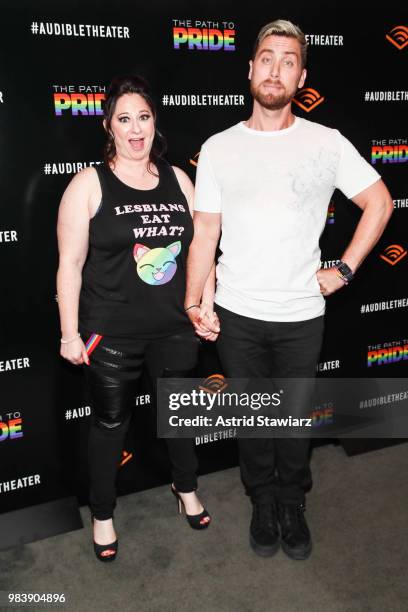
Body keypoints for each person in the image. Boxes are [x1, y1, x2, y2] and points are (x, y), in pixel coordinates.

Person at [185, 19, 393, 560]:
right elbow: (206, 231)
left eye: (288, 60)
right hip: (237, 312)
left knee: (294, 421)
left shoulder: (326, 143)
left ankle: (292, 500)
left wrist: (344, 269)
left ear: (302, 76)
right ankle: (262, 499)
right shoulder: (219, 148)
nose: (275, 68)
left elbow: (380, 202)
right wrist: (195, 300)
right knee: (255, 420)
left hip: (302, 312)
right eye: (267, 57)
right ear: (250, 69)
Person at [56, 74, 218, 562]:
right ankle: (102, 514)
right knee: (110, 426)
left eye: (143, 117)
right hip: (112, 332)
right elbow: (70, 265)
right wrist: (69, 332)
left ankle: (185, 487)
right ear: (109, 126)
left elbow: (200, 252)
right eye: (124, 119)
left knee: (180, 416)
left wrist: (203, 303)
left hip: (174, 327)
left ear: (154, 122)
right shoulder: (88, 183)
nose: (135, 129)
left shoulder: (178, 180)